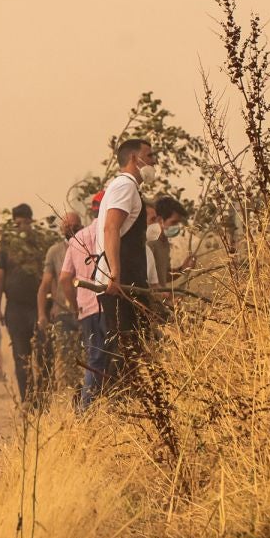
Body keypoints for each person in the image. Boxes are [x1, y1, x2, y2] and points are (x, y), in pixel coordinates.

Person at [96, 137, 155, 392]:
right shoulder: (125, 187)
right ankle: (109, 406)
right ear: (135, 159)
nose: (153, 162)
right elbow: (111, 228)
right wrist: (115, 273)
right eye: (150, 156)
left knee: (134, 349)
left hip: (129, 281)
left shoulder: (126, 188)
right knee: (126, 349)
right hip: (121, 283)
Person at [0, 202, 42, 399]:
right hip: (15, 308)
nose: (20, 227)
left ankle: (43, 397)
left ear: (31, 222)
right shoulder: (6, 246)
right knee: (21, 355)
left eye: (23, 223)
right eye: (16, 224)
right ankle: (27, 399)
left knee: (43, 354)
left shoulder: (40, 243)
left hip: (39, 306)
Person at [60, 194, 107, 408]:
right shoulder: (111, 233)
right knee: (104, 358)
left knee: (94, 357)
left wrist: (74, 306)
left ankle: (90, 405)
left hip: (86, 309)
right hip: (107, 305)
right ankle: (86, 408)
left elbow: (64, 278)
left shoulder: (77, 238)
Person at [36, 210, 82, 399]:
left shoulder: (86, 247)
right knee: (63, 359)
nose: (70, 229)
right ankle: (66, 398)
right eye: (67, 226)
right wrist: (42, 314)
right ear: (61, 228)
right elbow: (45, 284)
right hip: (63, 313)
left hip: (85, 311)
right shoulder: (55, 252)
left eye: (74, 226)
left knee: (86, 358)